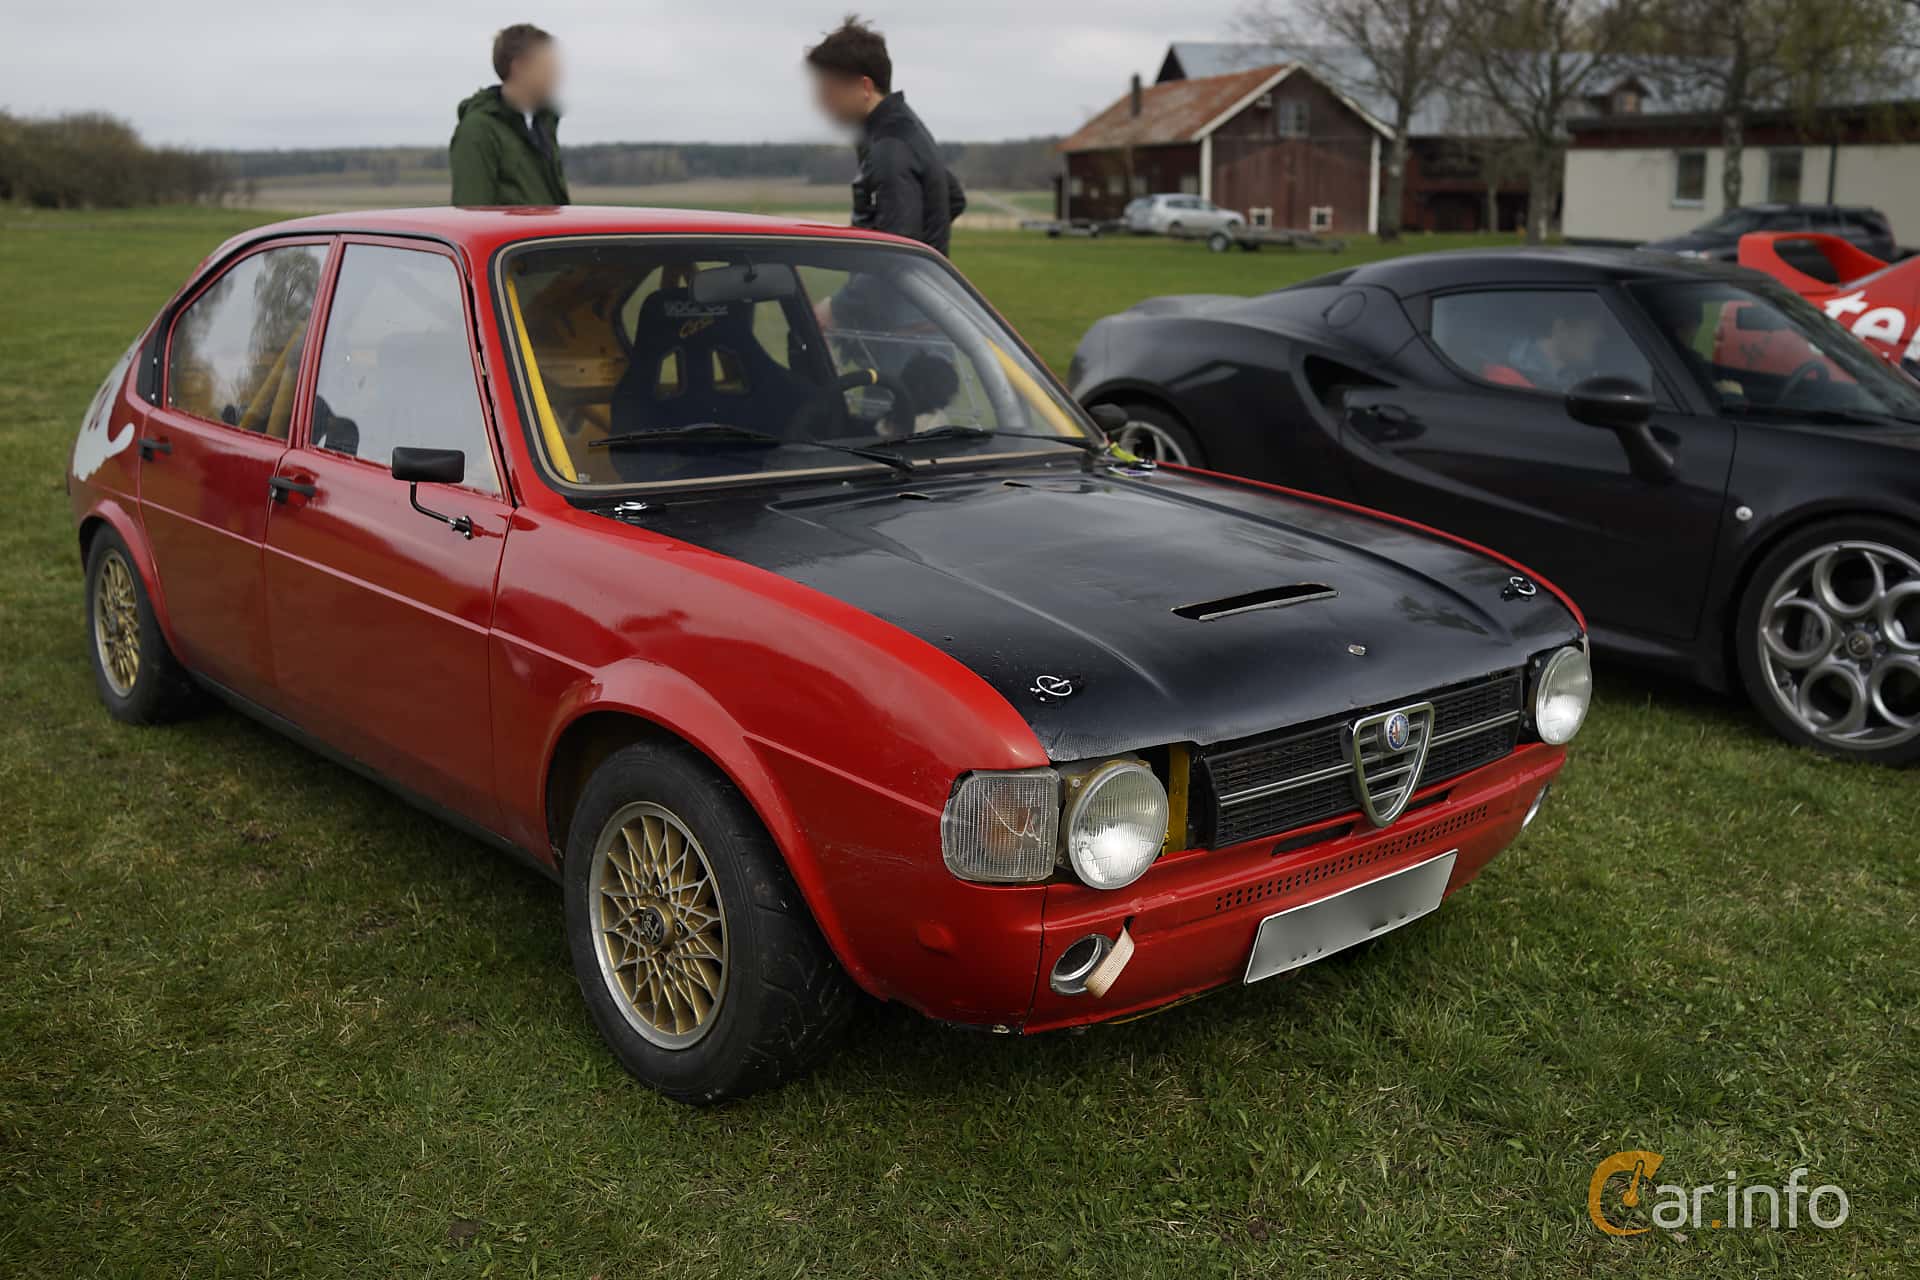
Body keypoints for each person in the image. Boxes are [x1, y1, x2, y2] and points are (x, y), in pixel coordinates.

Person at [805, 15, 967, 329]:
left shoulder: (889, 147)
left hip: (902, 327)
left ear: (864, 86)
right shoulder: (905, 129)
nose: (824, 104)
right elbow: (953, 198)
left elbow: (894, 252)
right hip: (918, 311)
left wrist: (837, 310)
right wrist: (927, 252)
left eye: (830, 90)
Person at [449, 24, 570, 207]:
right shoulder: (478, 130)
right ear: (520, 67)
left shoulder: (543, 126)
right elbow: (471, 217)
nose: (556, 76)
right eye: (547, 67)